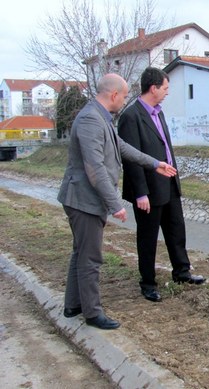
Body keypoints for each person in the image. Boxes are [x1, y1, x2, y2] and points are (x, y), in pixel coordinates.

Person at [58, 73, 177, 330]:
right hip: (83, 200)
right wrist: (115, 205)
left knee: (81, 252)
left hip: (85, 198)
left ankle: (73, 304)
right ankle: (92, 313)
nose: (124, 101)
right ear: (113, 95)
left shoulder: (100, 116)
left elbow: (121, 147)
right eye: (123, 96)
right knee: (91, 257)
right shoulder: (91, 119)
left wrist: (155, 164)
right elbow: (95, 168)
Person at [118, 67, 204, 303]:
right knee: (147, 238)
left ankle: (182, 272)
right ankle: (148, 283)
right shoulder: (130, 117)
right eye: (165, 88)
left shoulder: (159, 113)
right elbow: (131, 159)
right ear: (154, 88)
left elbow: (165, 148)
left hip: (168, 183)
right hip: (147, 189)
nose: (167, 92)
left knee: (176, 230)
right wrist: (140, 193)